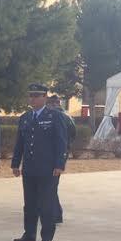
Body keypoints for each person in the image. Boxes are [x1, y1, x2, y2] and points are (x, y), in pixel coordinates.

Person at [11, 83, 67, 241]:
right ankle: (29, 234)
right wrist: (15, 163)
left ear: (44, 97)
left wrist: (60, 164)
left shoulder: (55, 116)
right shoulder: (25, 117)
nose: (33, 99)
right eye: (31, 96)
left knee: (46, 204)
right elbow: (20, 143)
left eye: (36, 96)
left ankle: (47, 237)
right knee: (29, 204)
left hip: (48, 169)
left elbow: (61, 142)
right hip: (29, 168)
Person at [47, 94, 76, 224]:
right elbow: (73, 135)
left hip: (54, 155)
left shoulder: (56, 117)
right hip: (63, 153)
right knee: (52, 185)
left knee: (50, 186)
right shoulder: (68, 116)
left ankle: (55, 214)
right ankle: (54, 213)